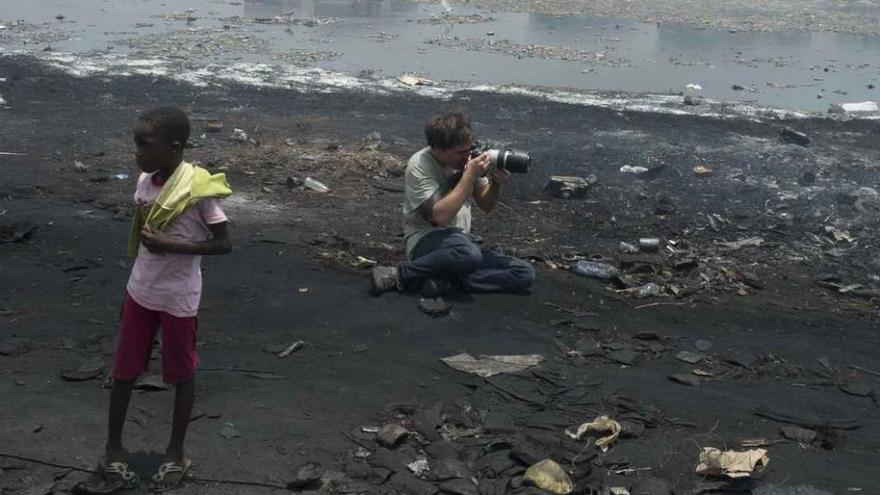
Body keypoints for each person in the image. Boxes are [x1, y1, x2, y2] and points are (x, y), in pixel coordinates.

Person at [81, 107, 232, 494]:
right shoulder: (145, 182)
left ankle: (175, 454)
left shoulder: (199, 193)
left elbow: (223, 243)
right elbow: (143, 233)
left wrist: (172, 244)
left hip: (179, 299)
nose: (138, 153)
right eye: (137, 145)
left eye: (146, 146)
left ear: (175, 148)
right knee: (124, 371)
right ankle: (113, 448)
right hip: (141, 291)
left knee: (181, 374)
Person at [371, 112, 535, 296]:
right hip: (426, 241)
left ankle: (444, 284)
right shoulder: (420, 164)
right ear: (438, 149)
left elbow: (486, 205)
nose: (467, 156)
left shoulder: (468, 161)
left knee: (523, 273)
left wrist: (496, 184)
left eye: (468, 149)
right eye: (460, 152)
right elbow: (439, 217)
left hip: (460, 244)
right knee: (468, 254)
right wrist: (469, 176)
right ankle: (399, 274)